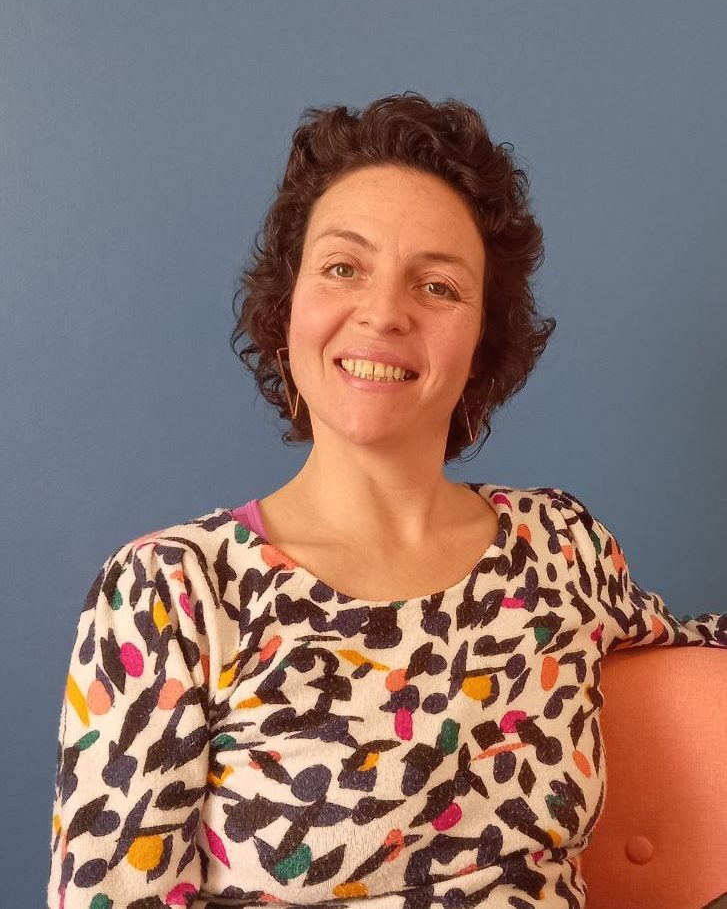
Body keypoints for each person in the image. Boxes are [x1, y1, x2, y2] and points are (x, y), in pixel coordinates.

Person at [48, 92, 726, 909]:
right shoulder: (168, 593)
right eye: (343, 268)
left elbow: (695, 640)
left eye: (437, 286)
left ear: (482, 339)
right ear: (287, 310)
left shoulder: (559, 545)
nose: (382, 312)